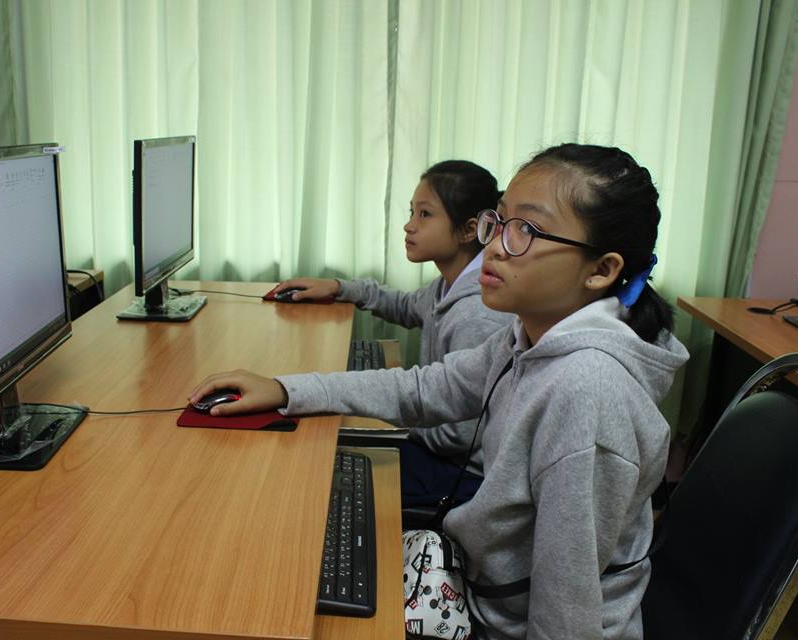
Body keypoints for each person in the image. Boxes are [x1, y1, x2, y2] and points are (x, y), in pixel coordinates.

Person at [191, 143, 689, 639]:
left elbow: (566, 615)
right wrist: (284, 390)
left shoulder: (586, 393)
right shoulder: (527, 336)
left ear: (601, 270)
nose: (495, 246)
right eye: (501, 221)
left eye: (527, 230)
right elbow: (426, 388)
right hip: (480, 590)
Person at [274, 160, 515, 506]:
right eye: (412, 212)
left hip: (461, 475)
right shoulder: (450, 284)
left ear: (468, 230)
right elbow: (405, 306)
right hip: (438, 450)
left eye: (425, 215)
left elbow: (458, 437)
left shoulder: (476, 313)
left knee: (322, 469)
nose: (409, 225)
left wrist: (385, 418)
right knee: (325, 442)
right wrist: (340, 288)